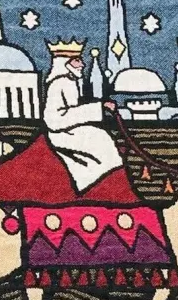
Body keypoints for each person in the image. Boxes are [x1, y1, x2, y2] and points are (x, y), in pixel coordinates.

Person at [43, 39, 125, 192]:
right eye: (77, 60)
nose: (82, 64)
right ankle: (102, 187)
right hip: (62, 133)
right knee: (99, 140)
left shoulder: (71, 81)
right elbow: (53, 120)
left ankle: (107, 185)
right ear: (65, 62)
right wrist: (99, 107)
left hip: (71, 129)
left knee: (101, 138)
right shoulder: (59, 83)